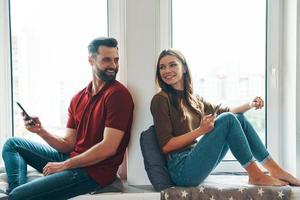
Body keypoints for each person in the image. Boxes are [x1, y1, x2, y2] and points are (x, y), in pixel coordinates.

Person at [2, 37, 134, 200]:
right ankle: (18, 191)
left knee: (18, 196)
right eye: (107, 60)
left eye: (116, 60)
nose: (113, 66)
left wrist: (63, 166)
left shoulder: (118, 95)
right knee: (12, 144)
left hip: (93, 172)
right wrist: (41, 131)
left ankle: (17, 195)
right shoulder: (78, 98)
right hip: (73, 159)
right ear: (91, 60)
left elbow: (108, 148)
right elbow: (68, 145)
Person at [150, 48, 300, 187]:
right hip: (182, 171)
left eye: (172, 65)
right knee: (228, 119)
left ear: (184, 68)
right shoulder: (161, 100)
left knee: (237, 118)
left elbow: (227, 111)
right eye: (162, 67)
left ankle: (275, 169)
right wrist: (200, 131)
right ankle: (256, 175)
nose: (166, 71)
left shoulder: (193, 99)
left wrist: (250, 104)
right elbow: (166, 146)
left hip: (194, 161)